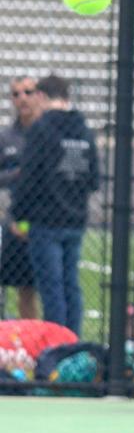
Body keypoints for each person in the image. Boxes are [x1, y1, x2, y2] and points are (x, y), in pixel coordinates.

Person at [10, 74, 99, 337]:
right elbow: (93, 178)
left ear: (41, 96)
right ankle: (73, 339)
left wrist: (19, 215)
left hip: (45, 220)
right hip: (75, 218)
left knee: (51, 287)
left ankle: (56, 343)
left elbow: (29, 177)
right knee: (71, 286)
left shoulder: (42, 128)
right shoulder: (83, 129)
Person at [0, 76, 40, 320]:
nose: (22, 98)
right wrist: (18, 173)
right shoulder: (6, 137)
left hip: (42, 220)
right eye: (16, 94)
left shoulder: (47, 133)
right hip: (12, 220)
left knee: (37, 289)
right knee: (13, 286)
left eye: (27, 92)